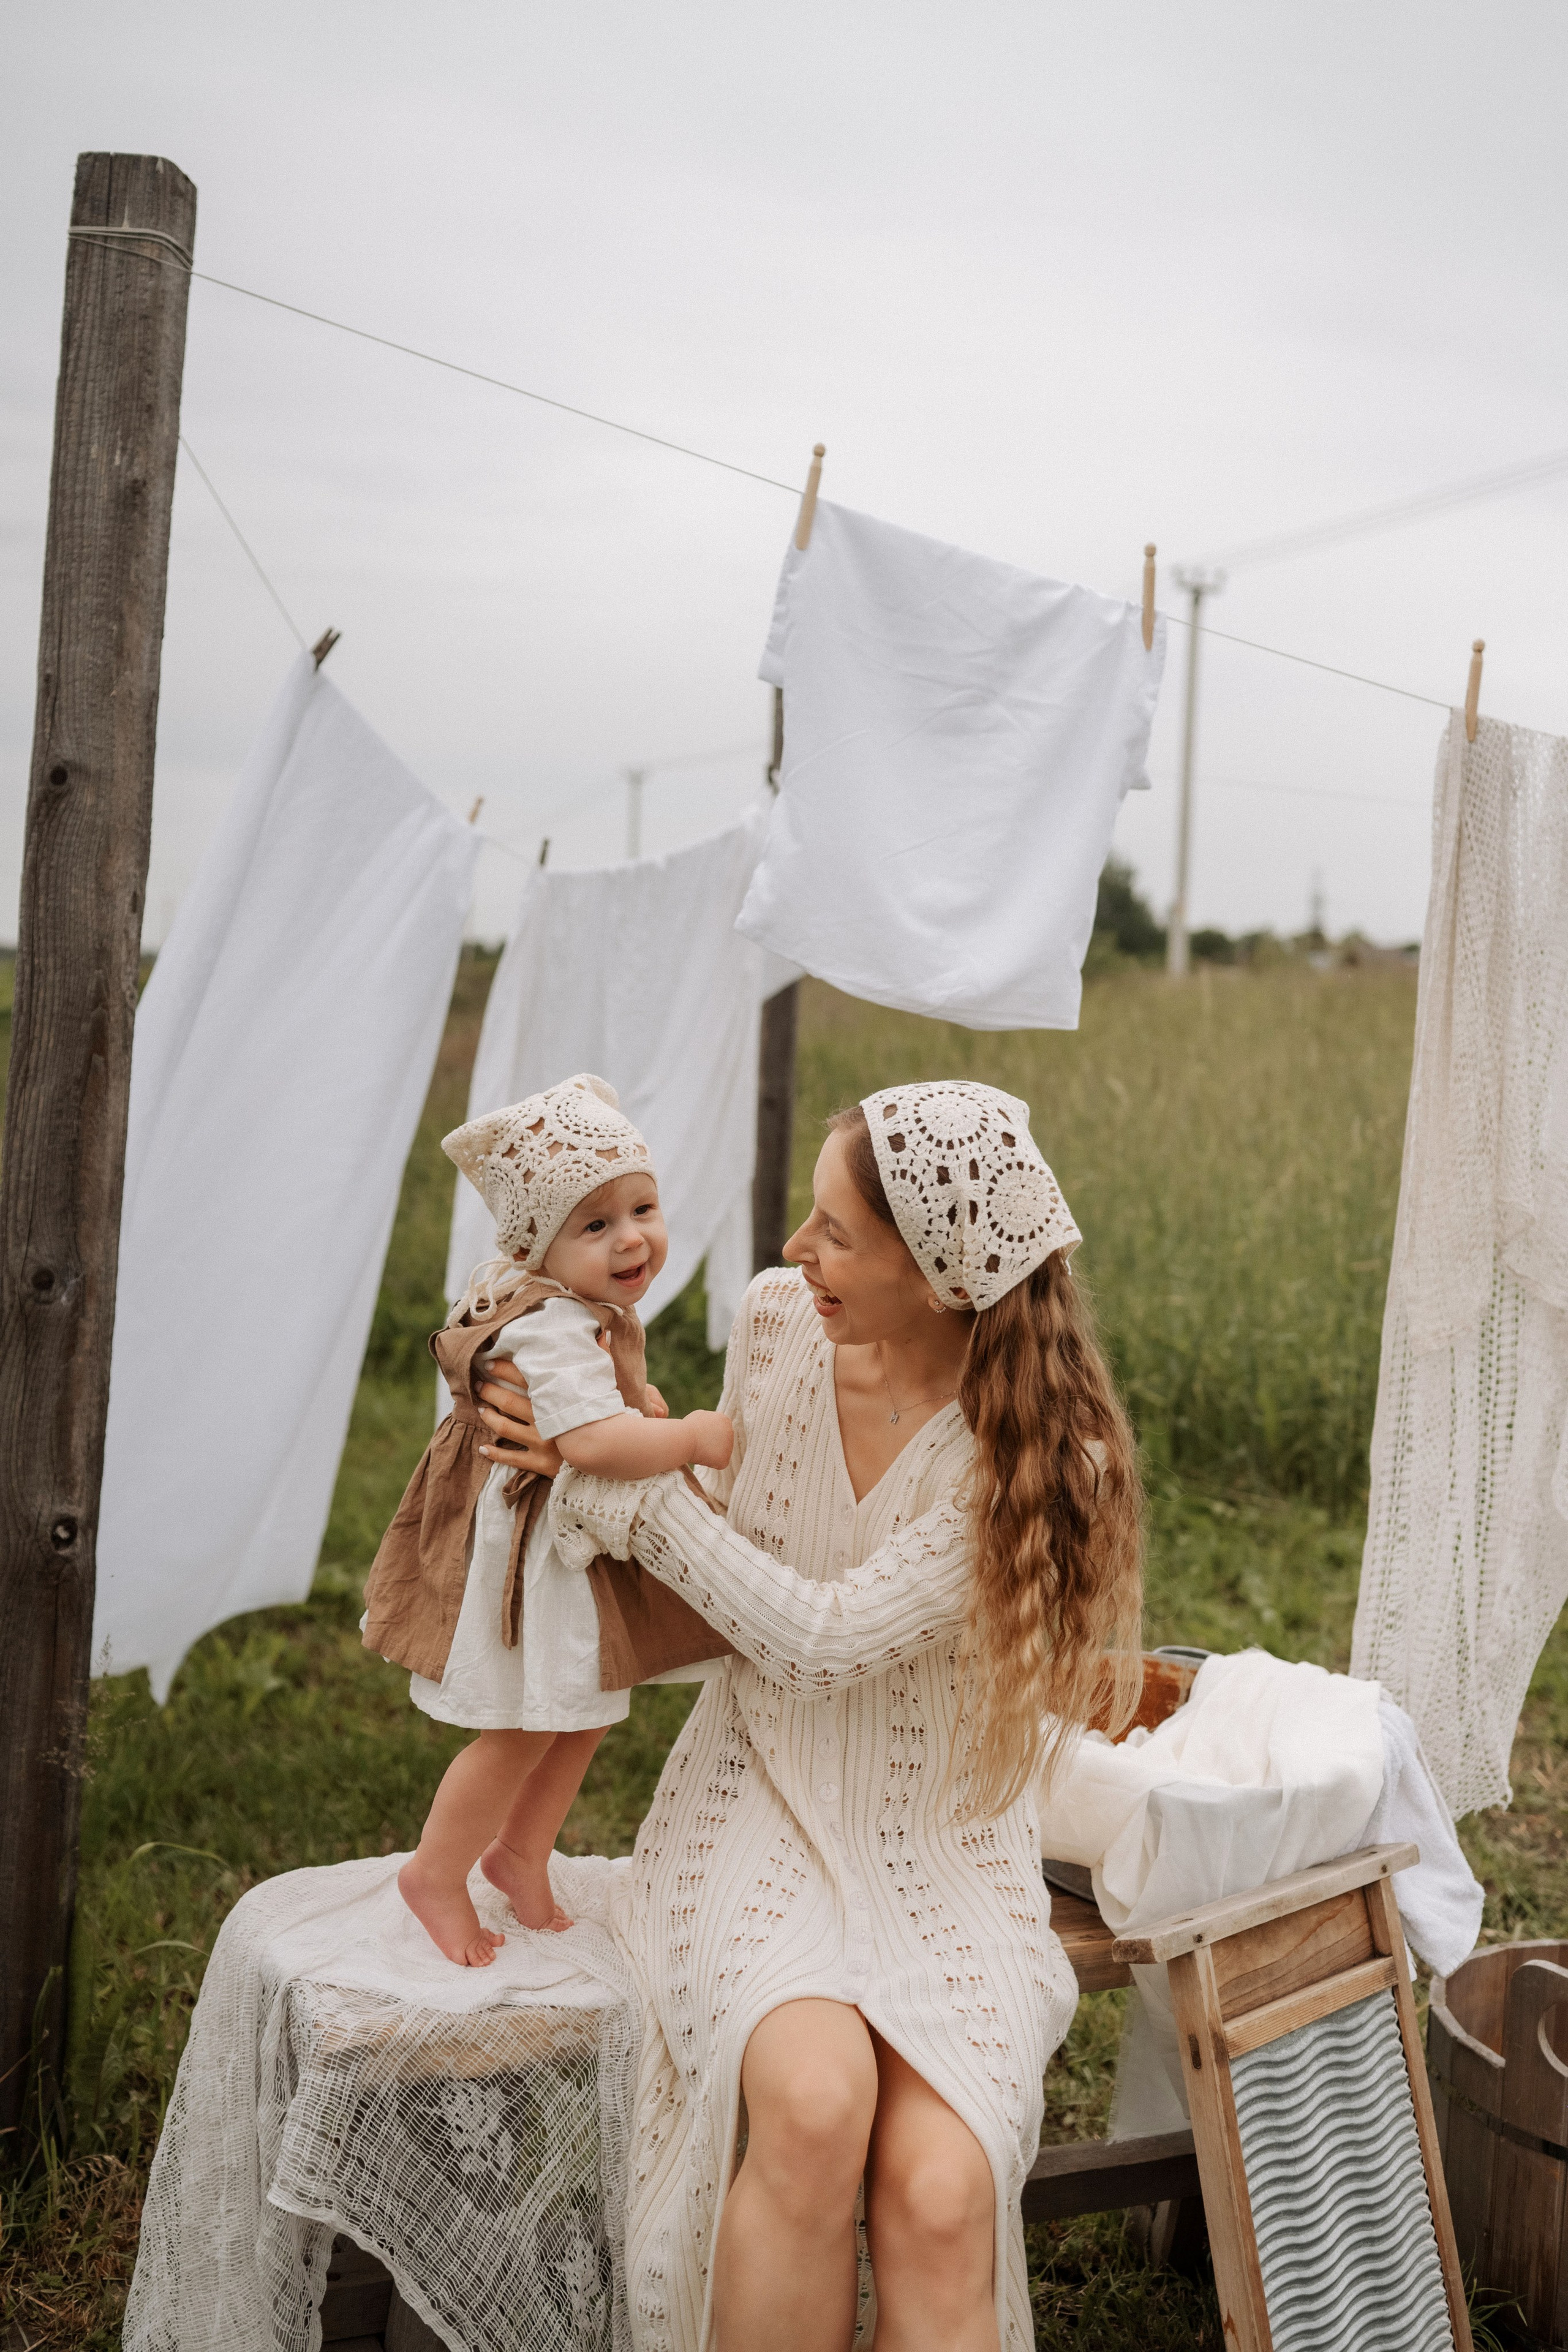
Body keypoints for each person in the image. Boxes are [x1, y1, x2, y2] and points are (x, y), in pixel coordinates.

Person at [473, 1078, 1144, 2352]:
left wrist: (621, 1493)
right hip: (754, 1797)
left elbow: (820, 1641)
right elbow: (735, 1552)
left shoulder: (1041, 1458)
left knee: (942, 2197)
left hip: (942, 1844)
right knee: (814, 2107)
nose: (795, 1250)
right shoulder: (777, 1323)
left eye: (835, 1232)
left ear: (938, 1273)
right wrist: (614, 1435)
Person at [361, 1072, 733, 1964]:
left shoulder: (570, 1306)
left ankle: (520, 1853)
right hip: (535, 1555)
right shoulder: (553, 1327)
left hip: (560, 1545)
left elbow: (598, 1412)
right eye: (594, 1225)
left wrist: (638, 1406)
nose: (631, 1238)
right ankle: (436, 1874)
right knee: (524, 1724)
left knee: (585, 1710)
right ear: (538, 1246)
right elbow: (594, 1442)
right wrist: (690, 1436)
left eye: (642, 1208)